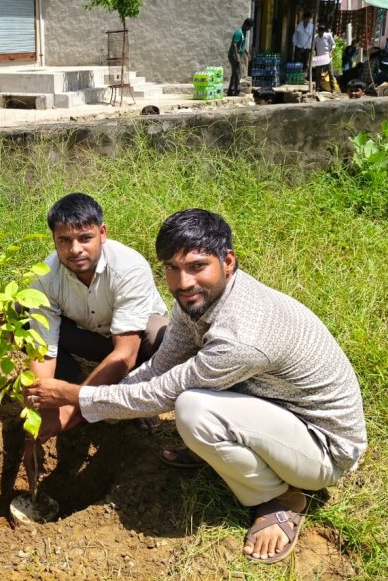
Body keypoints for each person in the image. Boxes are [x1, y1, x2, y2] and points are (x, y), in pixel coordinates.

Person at [24, 209, 367, 564]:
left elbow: (162, 393)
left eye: (197, 266)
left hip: (324, 449)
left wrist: (76, 398)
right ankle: (227, 451)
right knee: (191, 401)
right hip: (277, 410)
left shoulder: (242, 337)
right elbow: (160, 366)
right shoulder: (200, 301)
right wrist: (92, 404)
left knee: (192, 409)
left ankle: (280, 498)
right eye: (172, 267)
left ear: (228, 260)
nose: (184, 281)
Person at [24, 193, 169, 479]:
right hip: (90, 337)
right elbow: (44, 350)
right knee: (26, 319)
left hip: (134, 344)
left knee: (160, 333)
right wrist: (41, 411)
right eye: (64, 240)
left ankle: (137, 397)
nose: (75, 249)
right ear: (53, 239)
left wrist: (74, 409)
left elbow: (125, 354)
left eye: (84, 238)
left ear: (102, 233)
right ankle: (71, 381)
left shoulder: (129, 268)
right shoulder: (45, 276)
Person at [227, 18, 254, 96]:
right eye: (249, 27)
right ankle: (237, 91)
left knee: (235, 73)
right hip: (233, 55)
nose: (249, 29)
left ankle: (230, 91)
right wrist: (236, 55)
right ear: (246, 25)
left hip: (238, 55)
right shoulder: (238, 32)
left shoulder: (244, 33)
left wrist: (246, 52)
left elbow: (242, 45)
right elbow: (234, 44)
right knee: (238, 73)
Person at [312, 24, 336, 91]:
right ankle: (317, 88)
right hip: (319, 57)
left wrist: (331, 52)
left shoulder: (328, 36)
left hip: (327, 57)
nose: (320, 33)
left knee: (331, 72)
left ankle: (333, 88)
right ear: (318, 31)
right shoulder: (315, 37)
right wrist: (314, 53)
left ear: (323, 31)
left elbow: (333, 44)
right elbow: (313, 46)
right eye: (319, 31)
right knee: (318, 73)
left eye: (322, 32)